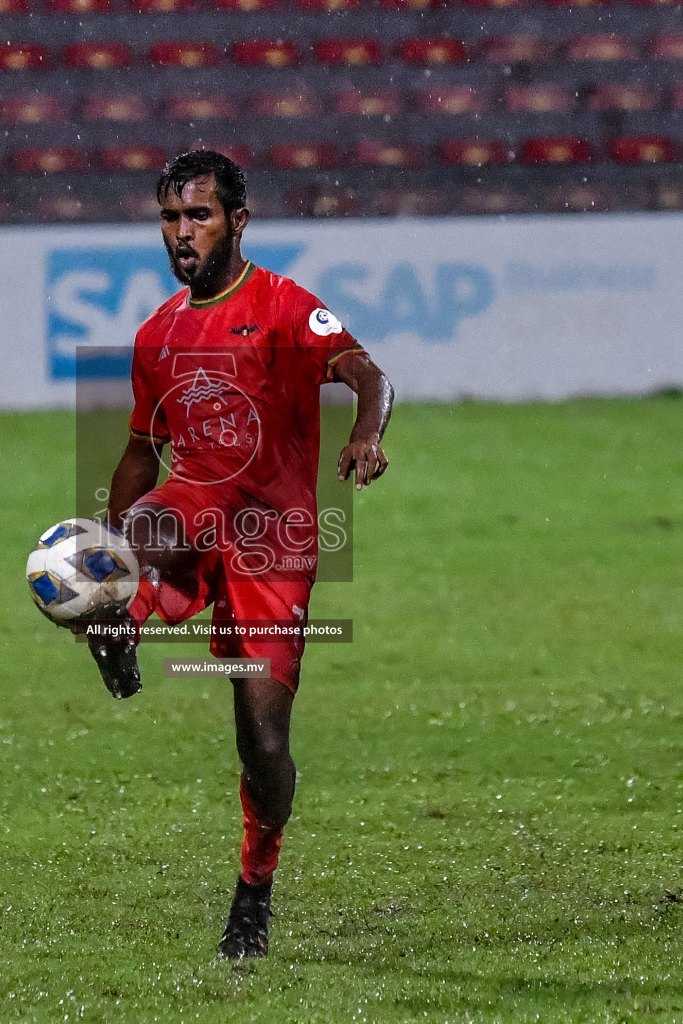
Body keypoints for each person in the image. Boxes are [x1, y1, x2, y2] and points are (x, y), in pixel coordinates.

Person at [84, 149, 393, 959]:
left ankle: (253, 890)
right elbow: (139, 453)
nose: (181, 234)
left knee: (263, 746)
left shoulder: (286, 307)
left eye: (198, 217)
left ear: (238, 221)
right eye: (170, 218)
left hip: (273, 543)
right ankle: (120, 619)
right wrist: (111, 548)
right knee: (151, 528)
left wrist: (367, 432)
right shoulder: (158, 334)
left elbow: (370, 376)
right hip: (195, 507)